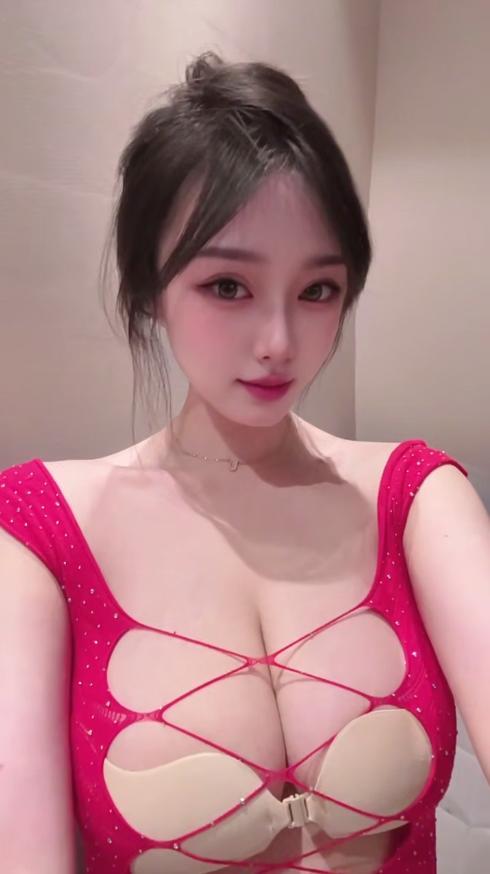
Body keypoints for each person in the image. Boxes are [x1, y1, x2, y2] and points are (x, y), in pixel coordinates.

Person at [0, 51, 488, 874]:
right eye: (228, 286)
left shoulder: (415, 496)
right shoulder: (37, 531)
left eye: (317, 290)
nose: (279, 343)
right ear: (151, 287)